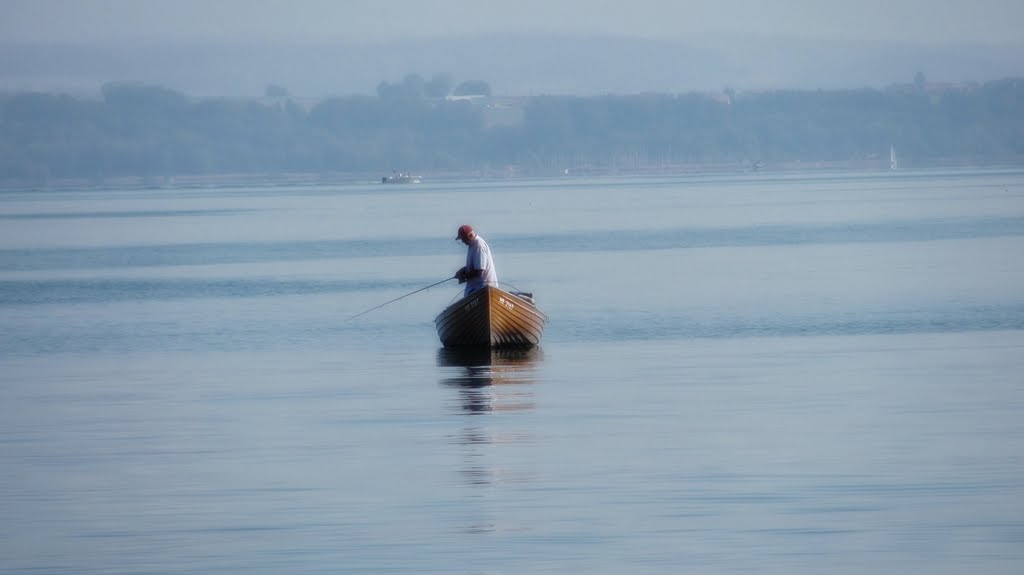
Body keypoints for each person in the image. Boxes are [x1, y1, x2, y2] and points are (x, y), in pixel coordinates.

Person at [453, 224, 498, 296]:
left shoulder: (479, 245)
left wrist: (464, 277)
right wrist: (463, 270)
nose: (462, 241)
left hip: (484, 288)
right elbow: (476, 265)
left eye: (463, 239)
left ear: (470, 236)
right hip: (477, 289)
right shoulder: (472, 245)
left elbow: (479, 271)